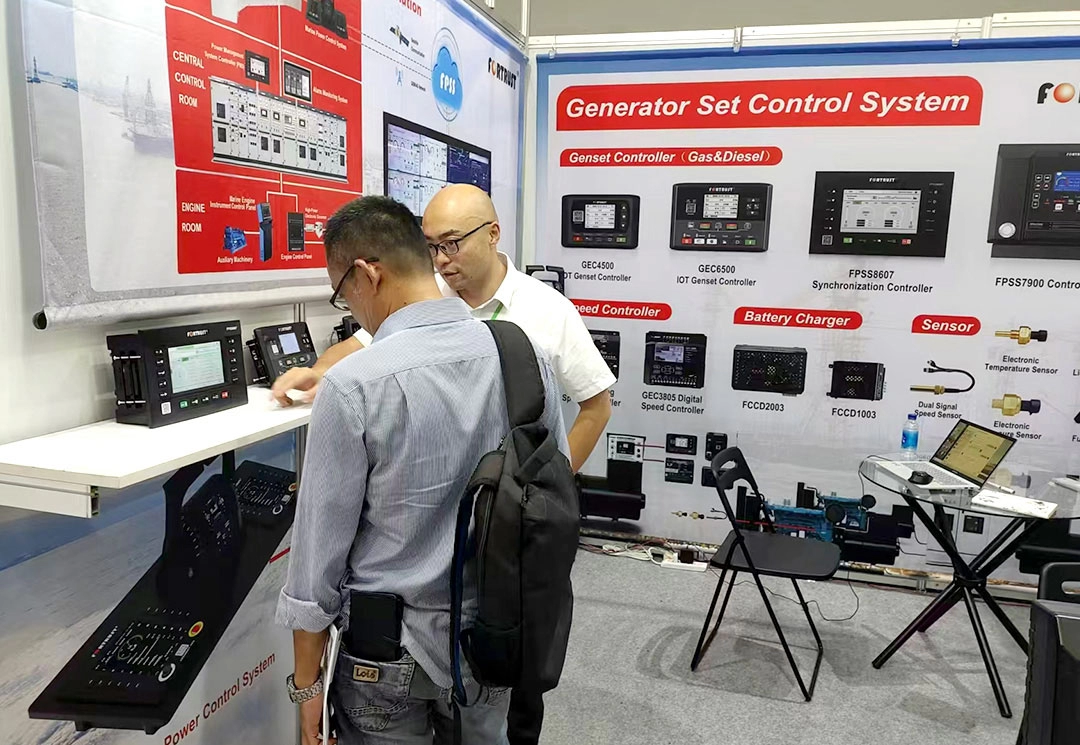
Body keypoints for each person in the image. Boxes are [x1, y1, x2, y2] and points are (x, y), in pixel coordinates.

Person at [275, 196, 568, 745]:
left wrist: (306, 687)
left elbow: (316, 566)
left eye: (342, 293)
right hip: (495, 637)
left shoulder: (354, 387)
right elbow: (552, 498)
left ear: (367, 274)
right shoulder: (524, 357)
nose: (350, 307)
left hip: (385, 653)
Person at [271, 183, 615, 474]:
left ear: (493, 233)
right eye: (431, 246)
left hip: (508, 498)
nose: (440, 259)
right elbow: (357, 346)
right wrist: (319, 372)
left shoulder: (549, 309)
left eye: (451, 243)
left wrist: (552, 484)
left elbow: (596, 406)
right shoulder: (424, 296)